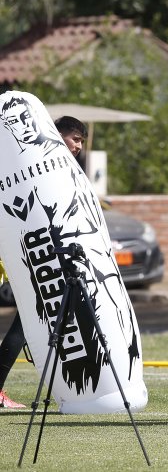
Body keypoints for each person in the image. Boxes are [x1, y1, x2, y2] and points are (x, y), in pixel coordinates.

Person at [0, 115, 88, 409]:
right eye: (74, 138)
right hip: (31, 253)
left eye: (81, 142)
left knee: (31, 322)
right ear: (56, 134)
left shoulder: (58, 166)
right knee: (25, 324)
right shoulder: (39, 164)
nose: (77, 146)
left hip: (39, 253)